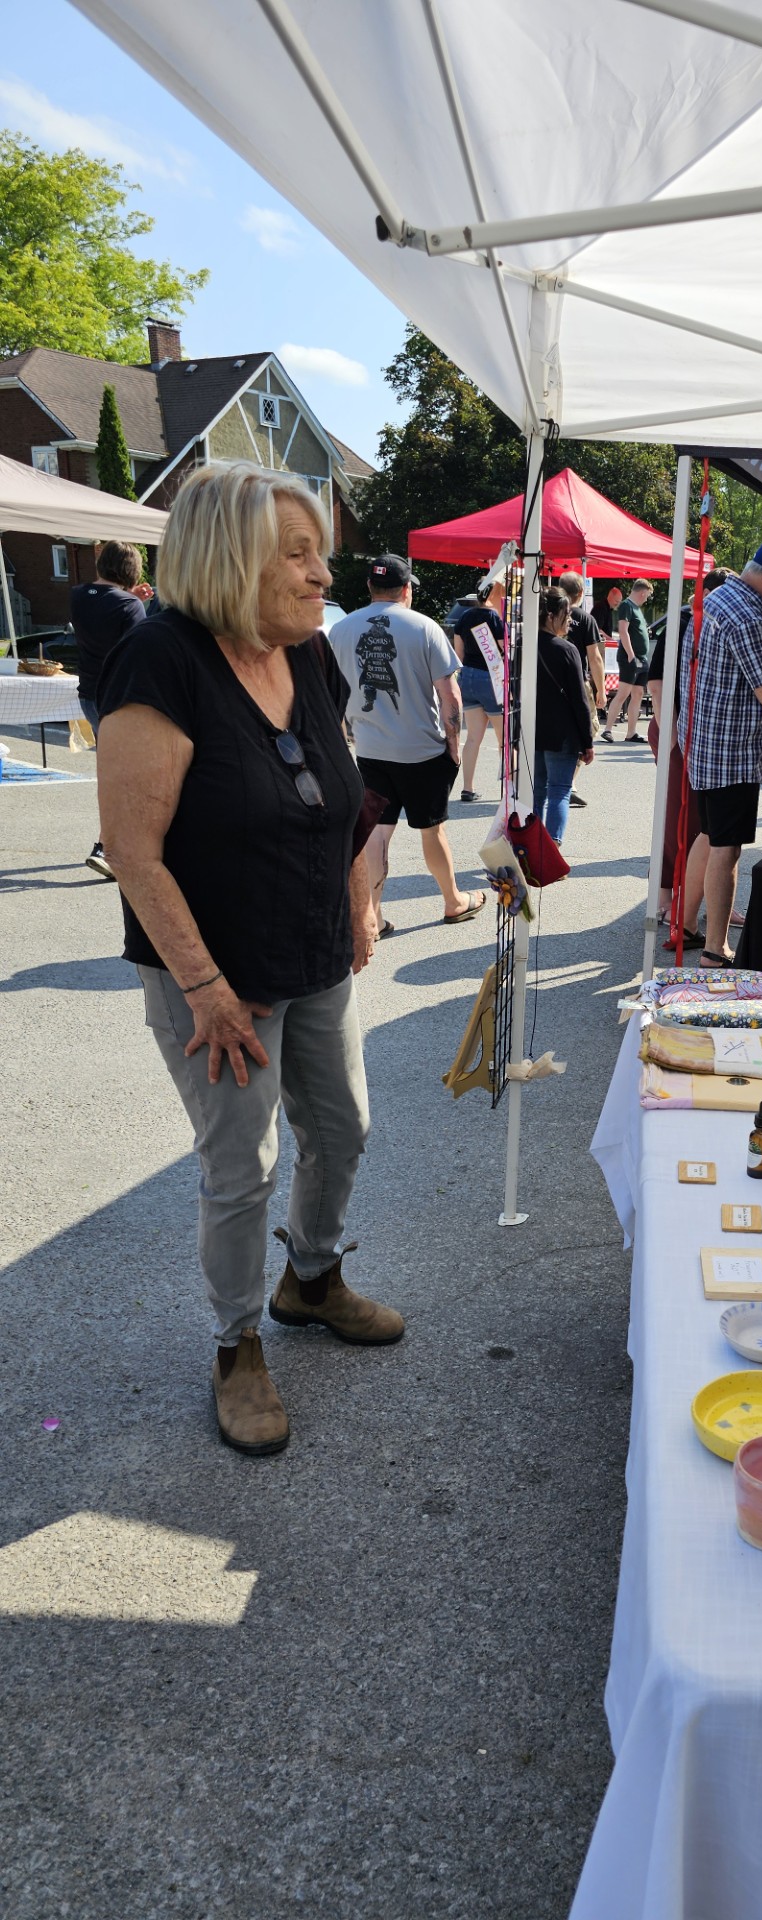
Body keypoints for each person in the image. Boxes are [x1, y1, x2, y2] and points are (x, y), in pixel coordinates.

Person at [96, 463, 399, 1457]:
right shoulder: (160, 663)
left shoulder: (307, 654)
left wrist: (358, 901)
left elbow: (340, 794)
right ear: (231, 561)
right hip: (215, 975)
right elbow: (134, 853)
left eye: (322, 554)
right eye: (299, 556)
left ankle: (310, 1280)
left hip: (311, 947)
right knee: (242, 1165)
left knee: (344, 1126)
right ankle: (236, 1347)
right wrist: (204, 987)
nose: (323, 577)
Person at [328, 555, 483, 930]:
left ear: (369, 587)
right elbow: (451, 696)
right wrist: (454, 743)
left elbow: (330, 694)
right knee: (431, 828)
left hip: (370, 750)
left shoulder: (340, 630)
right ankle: (453, 900)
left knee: (378, 832)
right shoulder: (425, 628)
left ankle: (373, 917)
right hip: (421, 750)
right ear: (407, 588)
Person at [678, 540, 762, 967]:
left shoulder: (719, 596)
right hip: (730, 752)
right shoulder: (748, 617)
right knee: (727, 849)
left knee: (712, 838)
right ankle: (716, 950)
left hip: (705, 744)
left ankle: (687, 924)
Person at [648, 570, 728, 943]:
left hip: (697, 734)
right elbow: (659, 683)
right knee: (680, 816)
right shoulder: (681, 622)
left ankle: (700, 901)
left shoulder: (710, 623)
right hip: (677, 732)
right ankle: (668, 896)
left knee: (703, 819)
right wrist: (672, 738)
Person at [72, 541, 149, 880]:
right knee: (125, 776)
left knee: (114, 770)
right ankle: (108, 847)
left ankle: (113, 845)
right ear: (131, 572)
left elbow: (105, 610)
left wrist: (135, 600)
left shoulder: (77, 595)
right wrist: (138, 603)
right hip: (119, 699)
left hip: (89, 695)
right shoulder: (129, 606)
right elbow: (138, 655)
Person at [533, 585, 595, 843]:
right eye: (566, 614)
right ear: (551, 615)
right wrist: (588, 741)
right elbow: (580, 701)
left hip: (531, 730)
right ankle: (552, 846)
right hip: (563, 734)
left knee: (535, 792)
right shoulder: (567, 650)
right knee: (559, 791)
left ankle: (531, 847)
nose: (570, 620)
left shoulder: (522, 645)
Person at [451, 575, 507, 802]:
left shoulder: (464, 618)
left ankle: (467, 788)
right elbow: (504, 653)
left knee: (473, 737)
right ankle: (508, 790)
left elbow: (458, 655)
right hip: (490, 679)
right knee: (505, 740)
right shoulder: (494, 619)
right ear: (494, 591)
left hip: (468, 678)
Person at [558, 570, 605, 809]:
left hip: (549, 681)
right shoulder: (585, 619)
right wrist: (601, 689)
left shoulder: (547, 614)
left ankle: (559, 781)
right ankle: (569, 782)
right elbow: (594, 657)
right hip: (578, 682)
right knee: (587, 727)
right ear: (580, 593)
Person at [602, 579, 652, 742]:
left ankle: (631, 732)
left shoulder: (636, 608)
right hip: (631, 657)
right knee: (623, 693)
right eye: (647, 595)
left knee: (638, 693)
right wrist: (630, 654)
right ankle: (608, 729)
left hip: (641, 658)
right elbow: (623, 630)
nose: (647, 599)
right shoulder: (626, 606)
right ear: (643, 592)